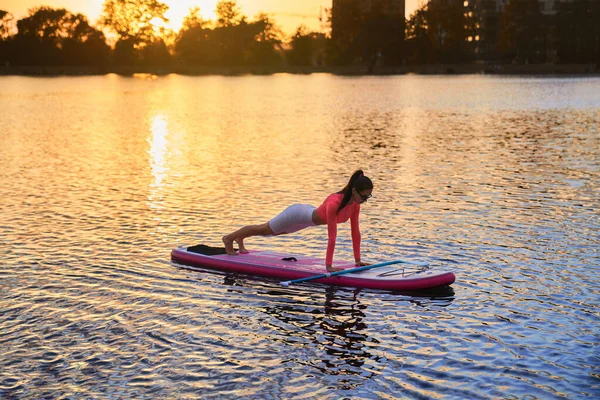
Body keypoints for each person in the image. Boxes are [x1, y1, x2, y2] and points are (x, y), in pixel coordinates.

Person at [222, 170, 373, 272]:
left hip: (306, 221)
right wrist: (329, 266)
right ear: (354, 191)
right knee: (264, 230)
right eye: (364, 197)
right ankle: (229, 239)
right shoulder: (335, 203)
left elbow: (355, 233)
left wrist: (357, 260)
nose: (365, 200)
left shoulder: (354, 206)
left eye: (368, 197)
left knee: (272, 233)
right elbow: (332, 237)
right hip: (296, 215)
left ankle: (240, 239)